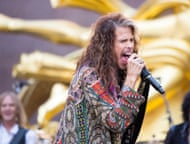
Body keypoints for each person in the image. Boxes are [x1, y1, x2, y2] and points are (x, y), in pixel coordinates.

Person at [53, 13, 149, 144]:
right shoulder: (90, 76)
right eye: (123, 41)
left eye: (131, 40)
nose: (130, 46)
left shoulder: (116, 75)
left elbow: (126, 123)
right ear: (108, 45)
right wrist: (131, 78)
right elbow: (115, 122)